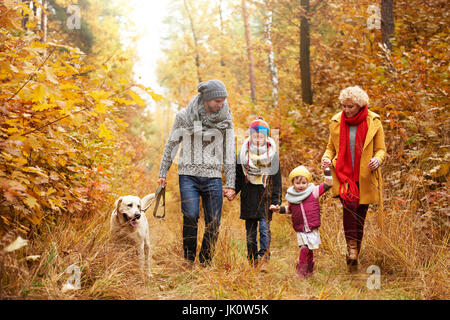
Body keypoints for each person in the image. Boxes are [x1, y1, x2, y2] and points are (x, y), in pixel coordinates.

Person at [157, 80, 236, 266]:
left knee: (214, 221)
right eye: (217, 100)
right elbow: (172, 144)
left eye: (223, 100)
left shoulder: (226, 120)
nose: (221, 104)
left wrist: (230, 183)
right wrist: (163, 171)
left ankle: (205, 261)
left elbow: (230, 151)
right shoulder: (184, 116)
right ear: (206, 99)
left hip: (213, 177)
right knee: (191, 215)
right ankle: (189, 259)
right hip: (188, 175)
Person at [321, 85, 386, 272]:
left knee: (360, 217)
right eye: (344, 106)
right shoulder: (336, 121)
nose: (346, 110)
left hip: (365, 176)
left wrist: (377, 160)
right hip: (343, 176)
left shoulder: (373, 121)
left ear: (360, 105)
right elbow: (330, 148)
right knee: (349, 208)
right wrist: (326, 157)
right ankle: (352, 250)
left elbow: (381, 149)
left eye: (350, 107)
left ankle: (354, 253)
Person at [234, 117, 282, 268]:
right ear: (250, 136)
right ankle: (252, 261)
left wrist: (276, 201)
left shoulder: (272, 156)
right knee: (250, 234)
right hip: (249, 197)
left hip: (265, 198)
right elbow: (239, 178)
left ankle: (264, 259)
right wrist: (232, 190)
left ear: (266, 137)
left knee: (264, 229)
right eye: (255, 136)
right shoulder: (243, 155)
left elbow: (277, 181)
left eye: (261, 136)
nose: (258, 139)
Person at [270, 166, 333, 278]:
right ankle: (301, 271)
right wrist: (279, 209)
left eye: (304, 183)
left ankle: (309, 270)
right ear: (293, 183)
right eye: (297, 183)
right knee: (304, 248)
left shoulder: (313, 192)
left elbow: (328, 184)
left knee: (309, 250)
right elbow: (290, 209)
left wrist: (327, 170)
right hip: (300, 228)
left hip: (312, 227)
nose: (301, 185)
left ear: (307, 182)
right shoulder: (292, 196)